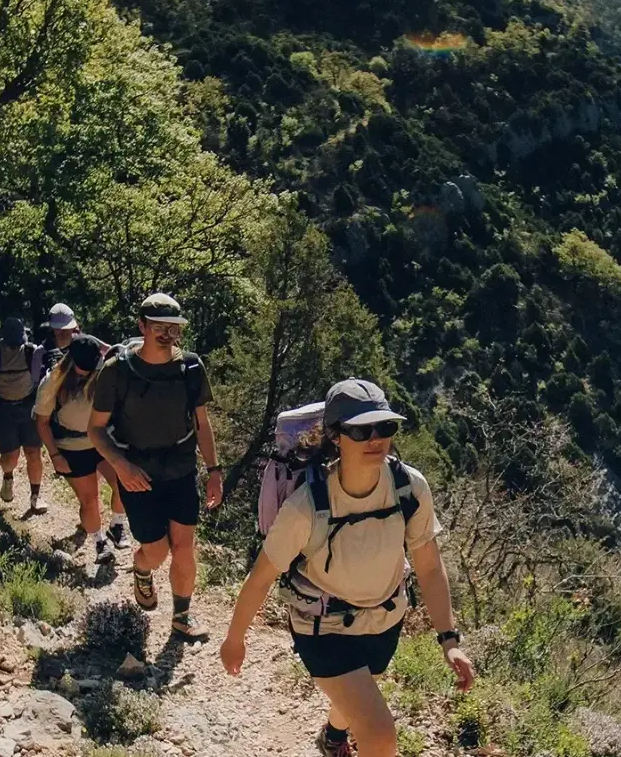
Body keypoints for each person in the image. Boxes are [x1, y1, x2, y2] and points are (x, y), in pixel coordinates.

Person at [220, 380, 474, 757]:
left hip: (385, 620)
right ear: (336, 436)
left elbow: (429, 567)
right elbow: (261, 577)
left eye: (385, 427)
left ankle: (333, 736)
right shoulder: (308, 506)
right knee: (380, 735)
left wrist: (449, 641)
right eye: (361, 430)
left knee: (361, 687)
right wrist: (235, 637)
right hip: (323, 626)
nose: (376, 438)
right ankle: (342, 737)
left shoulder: (409, 487)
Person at [88, 293, 223, 640]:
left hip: (180, 467)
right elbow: (95, 429)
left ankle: (182, 617)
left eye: (173, 328)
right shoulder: (118, 370)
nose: (166, 333)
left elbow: (202, 423)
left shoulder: (191, 368)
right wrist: (120, 466)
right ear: (142, 326)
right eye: (159, 327)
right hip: (137, 472)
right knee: (157, 551)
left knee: (183, 546)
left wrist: (214, 470)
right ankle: (142, 567)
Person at [34, 335, 130, 563]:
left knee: (124, 483)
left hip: (101, 440)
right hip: (71, 446)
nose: (86, 372)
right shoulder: (53, 382)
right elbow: (42, 422)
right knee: (90, 498)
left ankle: (117, 525)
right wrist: (55, 455)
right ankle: (99, 543)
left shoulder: (102, 371)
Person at [0, 317, 47, 512]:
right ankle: (8, 477)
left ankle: (36, 496)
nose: (15, 347)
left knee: (33, 453)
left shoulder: (32, 352)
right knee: (10, 458)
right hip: (2, 409)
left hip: (29, 407)